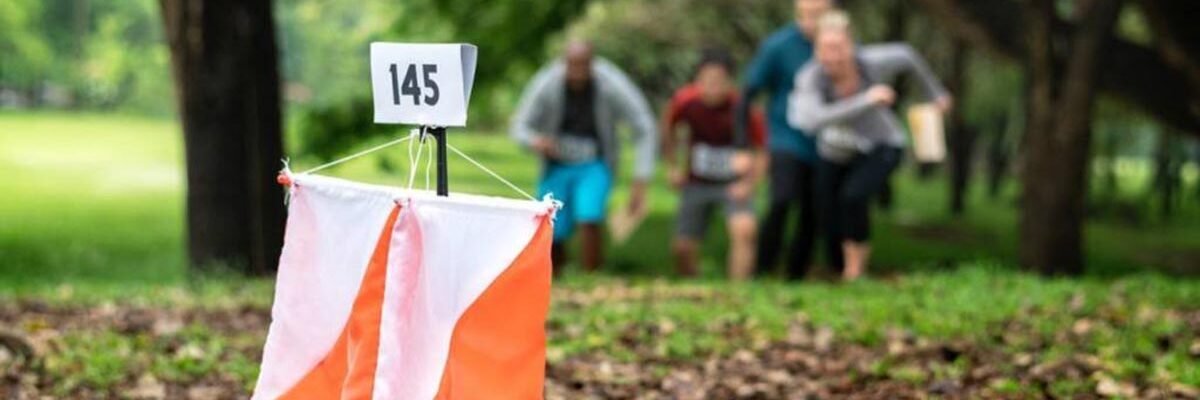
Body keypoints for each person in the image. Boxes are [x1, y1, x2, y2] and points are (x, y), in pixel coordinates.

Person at [789, 11, 952, 280]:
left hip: (882, 144)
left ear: (851, 45)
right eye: (825, 49)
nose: (833, 56)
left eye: (838, 48)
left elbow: (908, 55)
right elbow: (813, 119)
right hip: (834, 151)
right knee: (827, 212)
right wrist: (866, 100)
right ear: (816, 49)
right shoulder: (810, 78)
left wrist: (936, 94)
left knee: (853, 196)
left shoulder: (870, 63)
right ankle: (838, 269)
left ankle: (854, 272)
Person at [511, 40, 658, 274]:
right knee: (552, 223)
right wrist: (536, 141)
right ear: (563, 63)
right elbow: (519, 126)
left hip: (595, 162)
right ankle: (554, 275)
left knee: (589, 215)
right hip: (556, 164)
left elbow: (644, 126)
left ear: (593, 63)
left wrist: (641, 177)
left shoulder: (611, 84)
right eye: (572, 66)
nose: (577, 74)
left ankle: (591, 274)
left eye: (583, 66)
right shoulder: (547, 82)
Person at [737, 0, 837, 280]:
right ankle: (763, 269)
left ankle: (796, 274)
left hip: (826, 141)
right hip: (785, 136)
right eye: (806, 13)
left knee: (814, 209)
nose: (812, 20)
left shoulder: (840, 47)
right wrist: (743, 145)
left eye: (819, 13)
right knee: (782, 198)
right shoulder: (779, 46)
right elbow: (747, 93)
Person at [662, 50, 769, 280]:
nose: (712, 87)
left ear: (729, 81)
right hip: (697, 182)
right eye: (706, 81)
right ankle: (691, 286)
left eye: (719, 81)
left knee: (744, 229)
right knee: (682, 246)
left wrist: (749, 184)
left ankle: (738, 291)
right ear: (697, 80)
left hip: (733, 183)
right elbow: (667, 130)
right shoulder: (685, 102)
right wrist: (673, 167)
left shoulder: (743, 108)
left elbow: (762, 150)